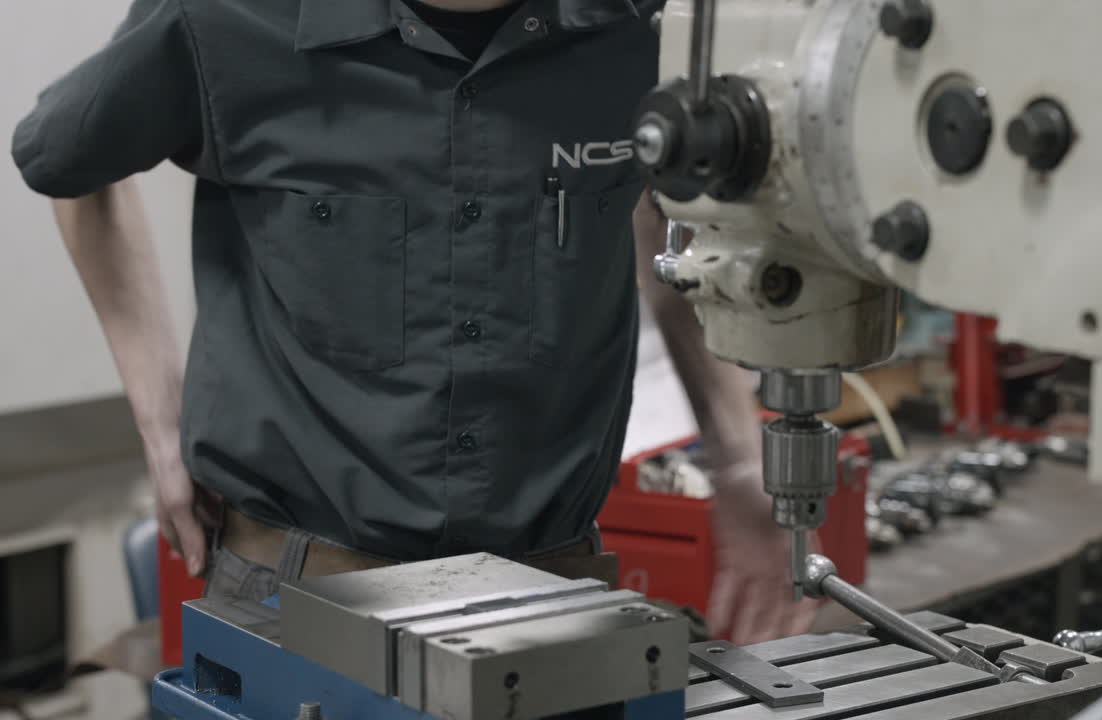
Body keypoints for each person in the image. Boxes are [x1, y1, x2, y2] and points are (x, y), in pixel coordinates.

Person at [12, 0, 815, 644]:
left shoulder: (639, 28)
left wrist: (740, 463)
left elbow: (665, 214)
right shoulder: (228, 21)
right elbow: (68, 163)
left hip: (555, 595)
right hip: (299, 597)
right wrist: (159, 424)